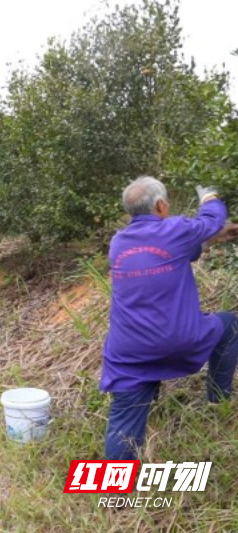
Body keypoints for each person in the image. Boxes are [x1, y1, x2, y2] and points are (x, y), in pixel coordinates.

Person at [102, 177, 238, 460]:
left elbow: (177, 252)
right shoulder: (174, 230)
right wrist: (210, 196)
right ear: (161, 205)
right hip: (180, 341)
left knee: (123, 422)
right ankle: (218, 399)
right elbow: (212, 220)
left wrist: (204, 245)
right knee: (230, 324)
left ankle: (114, 494)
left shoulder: (118, 242)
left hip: (128, 353)